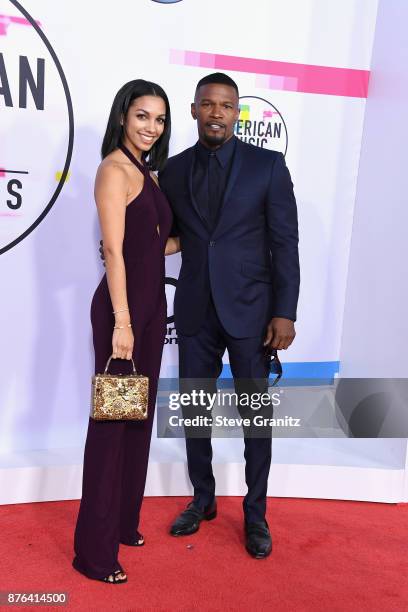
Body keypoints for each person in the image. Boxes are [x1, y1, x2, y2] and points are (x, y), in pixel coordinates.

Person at [158, 73, 300, 559]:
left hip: (253, 312)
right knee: (196, 412)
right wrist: (129, 247)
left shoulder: (267, 165)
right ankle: (203, 498)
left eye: (226, 105)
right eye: (208, 104)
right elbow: (173, 236)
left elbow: (285, 243)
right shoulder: (173, 172)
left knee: (255, 418)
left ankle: (256, 514)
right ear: (195, 109)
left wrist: (284, 312)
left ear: (237, 112)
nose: (216, 112)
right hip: (196, 309)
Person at [73, 79, 179, 584]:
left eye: (158, 119)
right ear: (122, 116)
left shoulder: (148, 173)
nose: (150, 128)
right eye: (142, 116)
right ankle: (92, 554)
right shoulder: (114, 170)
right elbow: (114, 251)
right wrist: (122, 322)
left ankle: (122, 523)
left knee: (137, 422)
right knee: (112, 426)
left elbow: (153, 246)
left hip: (152, 310)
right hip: (125, 315)